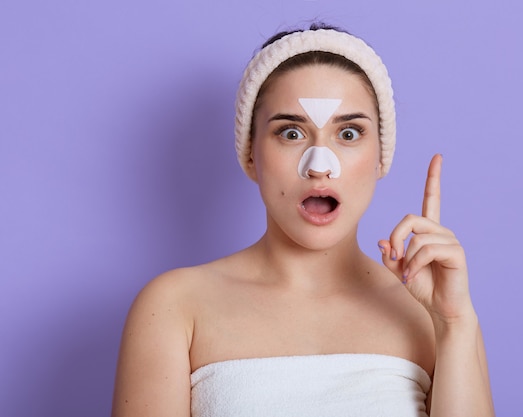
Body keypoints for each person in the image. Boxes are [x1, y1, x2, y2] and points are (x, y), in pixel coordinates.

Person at [111, 23, 495, 417]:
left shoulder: (436, 314)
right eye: (291, 133)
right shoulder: (175, 307)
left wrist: (453, 323)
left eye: (348, 133)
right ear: (249, 156)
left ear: (381, 156)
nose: (319, 166)